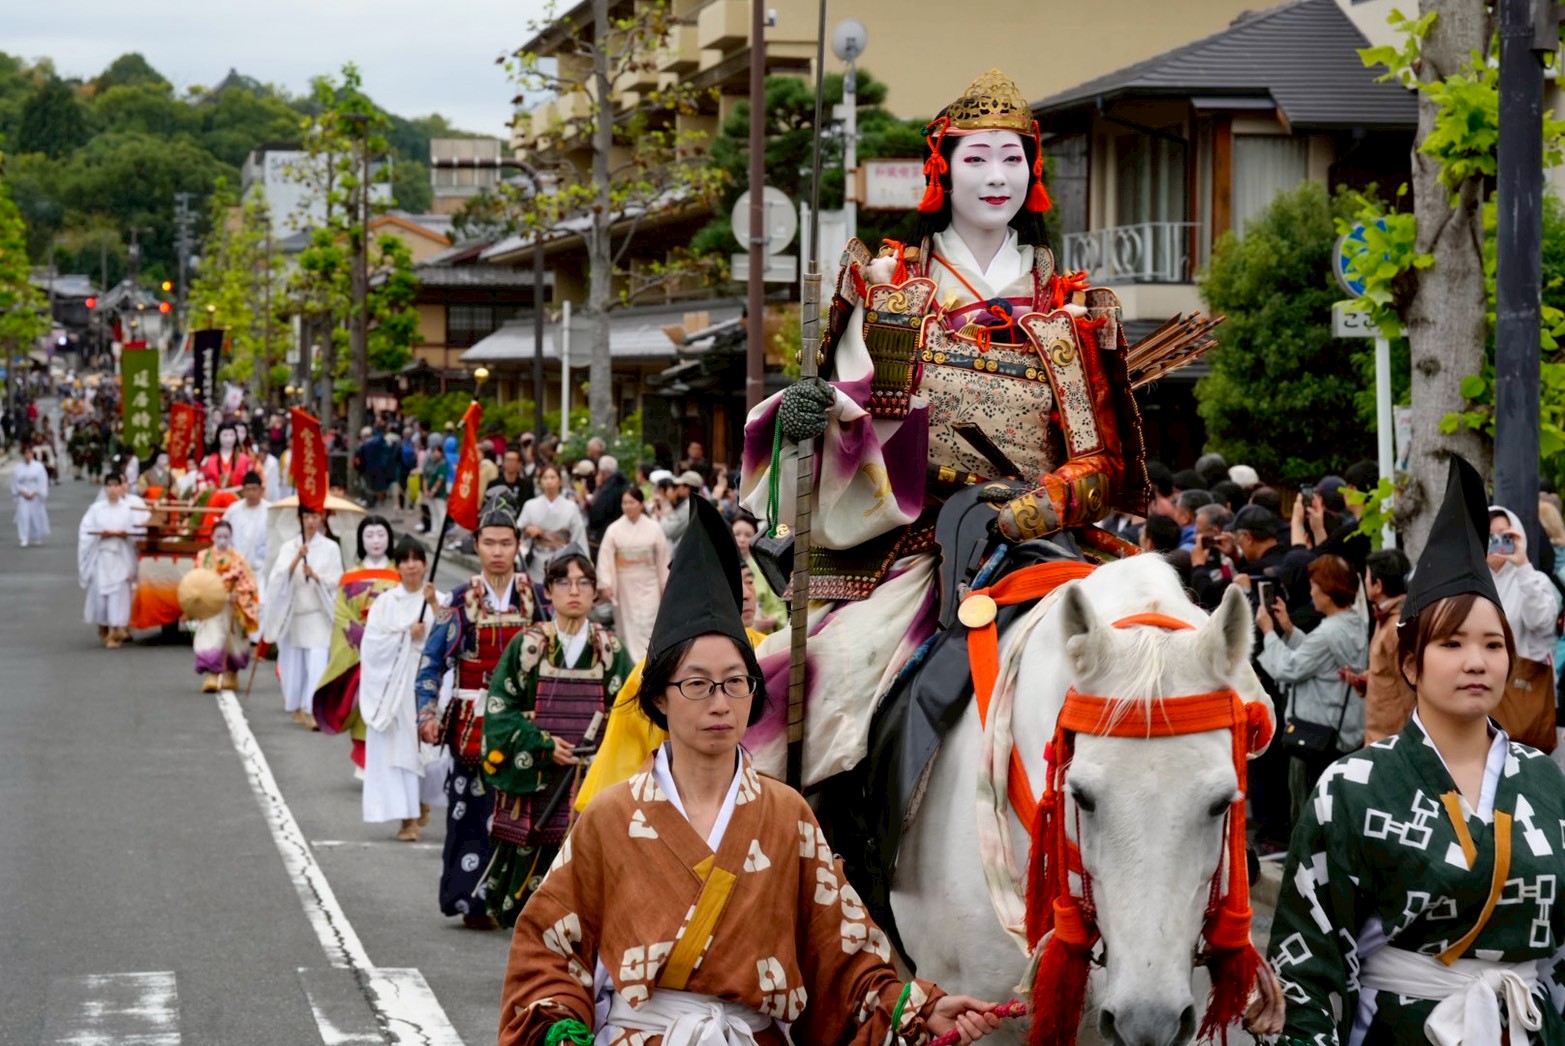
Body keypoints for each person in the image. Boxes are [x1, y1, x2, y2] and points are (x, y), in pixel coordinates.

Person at [738, 69, 1143, 786]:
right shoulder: (890, 290)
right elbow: (854, 421)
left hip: (1038, 544)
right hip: (915, 547)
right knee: (821, 684)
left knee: (1167, 668)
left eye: (1012, 158)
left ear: (1033, 170)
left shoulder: (1068, 307)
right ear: (941, 167)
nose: (997, 177)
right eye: (977, 157)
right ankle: (816, 859)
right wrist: (813, 417)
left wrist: (1021, 513)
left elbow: (1102, 462)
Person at [496, 493, 1003, 1046]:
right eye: (697, 683)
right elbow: (548, 951)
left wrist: (916, 1007)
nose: (720, 702)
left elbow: (845, 958)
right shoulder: (609, 817)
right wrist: (560, 1030)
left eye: (736, 682)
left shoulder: (787, 815)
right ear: (659, 697)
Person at [1266, 455, 1565, 1045]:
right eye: (1452, 643)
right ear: (1411, 662)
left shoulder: (1545, 779)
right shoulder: (1352, 786)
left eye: (1492, 645)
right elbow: (1307, 963)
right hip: (1401, 1029)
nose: (1477, 661)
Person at [479, 552, 633, 927]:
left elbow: (630, 711)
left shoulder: (609, 648)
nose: (574, 591)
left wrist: (602, 755)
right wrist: (543, 744)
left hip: (591, 776)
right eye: (564, 582)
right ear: (548, 591)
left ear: (595, 593)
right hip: (537, 779)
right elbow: (500, 709)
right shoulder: (528, 645)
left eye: (584, 583)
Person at [415, 501, 539, 928]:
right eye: (490, 543)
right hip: (473, 722)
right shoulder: (459, 600)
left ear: (518, 545)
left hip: (525, 724)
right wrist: (426, 715)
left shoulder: (536, 598)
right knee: (469, 812)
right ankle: (471, 901)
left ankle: (520, 901)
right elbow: (431, 664)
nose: (498, 551)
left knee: (525, 815)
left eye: (506, 543)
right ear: (477, 546)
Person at [1255, 554, 1368, 829]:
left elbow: (1288, 668)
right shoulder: (1356, 624)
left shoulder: (1327, 632)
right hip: (1344, 731)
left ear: (1328, 590)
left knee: (1307, 813)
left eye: (1315, 585)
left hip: (1314, 734)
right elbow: (1319, 661)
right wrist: (1289, 629)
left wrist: (1269, 633)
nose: (1311, 592)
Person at [360, 536, 447, 842]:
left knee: (429, 748)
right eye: (405, 560)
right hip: (396, 686)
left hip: (429, 684)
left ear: (425, 564)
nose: (411, 565)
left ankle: (421, 800)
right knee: (401, 749)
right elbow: (371, 644)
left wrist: (435, 604)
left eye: (416, 559)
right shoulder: (386, 603)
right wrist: (405, 635)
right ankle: (406, 818)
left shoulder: (440, 598)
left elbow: (451, 632)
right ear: (397, 566)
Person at [312, 516, 401, 772]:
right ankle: (364, 762)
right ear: (361, 540)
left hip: (391, 650)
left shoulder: (399, 574)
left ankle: (388, 761)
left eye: (381, 535)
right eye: (369, 535)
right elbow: (341, 613)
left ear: (389, 538)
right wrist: (363, 637)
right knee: (363, 703)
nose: (375, 541)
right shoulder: (350, 576)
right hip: (360, 651)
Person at [262, 507, 345, 728]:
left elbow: (338, 579)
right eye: (306, 517)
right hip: (296, 614)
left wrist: (316, 576)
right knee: (294, 665)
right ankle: (297, 704)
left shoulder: (331, 547)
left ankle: (313, 709)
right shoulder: (290, 547)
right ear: (299, 519)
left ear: (322, 519)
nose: (310, 521)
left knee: (318, 661)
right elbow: (277, 579)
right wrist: (296, 561)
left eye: (314, 517)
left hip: (318, 613)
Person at [594, 486, 670, 662]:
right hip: (625, 584)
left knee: (649, 622)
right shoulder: (614, 529)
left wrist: (665, 584)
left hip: (649, 582)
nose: (627, 506)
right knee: (627, 625)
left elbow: (663, 558)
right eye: (624, 503)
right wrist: (605, 583)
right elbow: (605, 557)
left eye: (631, 502)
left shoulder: (654, 528)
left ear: (641, 504)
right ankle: (630, 664)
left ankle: (650, 662)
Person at [77, 471, 148, 649]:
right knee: (101, 595)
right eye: (109, 486)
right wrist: (102, 535)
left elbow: (139, 531)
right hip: (102, 556)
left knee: (119, 595)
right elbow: (86, 531)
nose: (113, 489)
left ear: (121, 487)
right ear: (105, 488)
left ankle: (115, 630)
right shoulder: (96, 509)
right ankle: (104, 625)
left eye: (116, 485)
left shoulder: (128, 509)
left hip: (121, 555)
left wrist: (127, 535)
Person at [191, 520, 260, 693]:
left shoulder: (238, 559)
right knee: (212, 638)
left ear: (231, 538)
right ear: (213, 537)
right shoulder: (203, 557)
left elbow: (249, 583)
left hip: (232, 606)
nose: (222, 540)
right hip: (212, 606)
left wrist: (238, 594)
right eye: (219, 536)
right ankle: (212, 675)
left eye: (226, 536)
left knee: (233, 641)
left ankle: (231, 674)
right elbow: (197, 580)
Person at [1357, 547, 1417, 744]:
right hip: (1382, 735)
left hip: (1393, 740)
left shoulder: (1397, 627)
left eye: (1367, 578)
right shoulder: (1387, 619)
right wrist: (1370, 679)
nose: (1365, 582)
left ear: (1378, 585)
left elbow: (1411, 688)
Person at [518, 463, 587, 589]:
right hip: (537, 559)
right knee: (538, 596)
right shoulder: (530, 505)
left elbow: (579, 536)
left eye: (552, 477)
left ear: (560, 481)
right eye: (545, 478)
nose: (549, 481)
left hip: (564, 560)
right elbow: (518, 531)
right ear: (540, 482)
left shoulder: (570, 507)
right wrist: (527, 531)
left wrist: (583, 564)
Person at [730, 513, 785, 633]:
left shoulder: (765, 567)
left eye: (748, 535)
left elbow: (778, 606)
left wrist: (773, 620)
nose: (742, 539)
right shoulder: (720, 567)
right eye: (737, 534)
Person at [221, 472, 270, 598]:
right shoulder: (233, 510)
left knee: (260, 605)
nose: (251, 493)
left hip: (260, 571)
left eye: (254, 489)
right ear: (242, 491)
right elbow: (223, 534)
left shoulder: (270, 511)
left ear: (261, 490)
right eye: (248, 489)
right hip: (236, 570)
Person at [586, 453, 630, 552]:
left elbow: (595, 516)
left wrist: (598, 488)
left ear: (602, 472)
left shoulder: (607, 490)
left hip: (606, 536)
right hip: (625, 533)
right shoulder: (626, 484)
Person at [11, 444, 50, 547]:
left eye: (29, 454)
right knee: (23, 516)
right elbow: (15, 482)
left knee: (36, 516)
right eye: (25, 454)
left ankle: (37, 536)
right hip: (23, 495)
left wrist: (37, 492)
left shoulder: (38, 467)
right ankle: (23, 537)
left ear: (32, 454)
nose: (27, 456)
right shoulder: (18, 468)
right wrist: (22, 492)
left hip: (35, 495)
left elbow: (42, 481)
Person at [199, 422, 253, 490]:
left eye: (231, 435)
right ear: (218, 436)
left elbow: (251, 480)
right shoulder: (209, 460)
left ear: (236, 436)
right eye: (225, 435)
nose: (229, 439)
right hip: (214, 497)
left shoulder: (245, 460)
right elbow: (201, 479)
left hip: (239, 497)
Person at [660, 470, 701, 551]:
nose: (678, 489)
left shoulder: (688, 507)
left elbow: (669, 531)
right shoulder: (694, 503)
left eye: (680, 486)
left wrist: (663, 516)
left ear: (687, 489)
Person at [422, 443, 449, 537]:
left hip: (439, 493)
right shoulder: (430, 462)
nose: (434, 453)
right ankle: (434, 530)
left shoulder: (443, 464)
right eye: (434, 451)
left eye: (437, 451)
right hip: (429, 491)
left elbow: (440, 479)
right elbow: (425, 476)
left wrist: (433, 491)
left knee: (441, 512)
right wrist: (425, 490)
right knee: (433, 512)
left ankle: (441, 532)